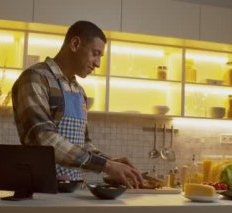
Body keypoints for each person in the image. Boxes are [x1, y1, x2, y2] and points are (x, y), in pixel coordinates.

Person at [12, 20, 143, 188]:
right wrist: (106, 166)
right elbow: (44, 139)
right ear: (75, 44)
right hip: (42, 191)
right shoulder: (35, 78)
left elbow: (83, 143)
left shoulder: (79, 91)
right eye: (95, 53)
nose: (98, 64)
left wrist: (109, 161)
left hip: (74, 189)